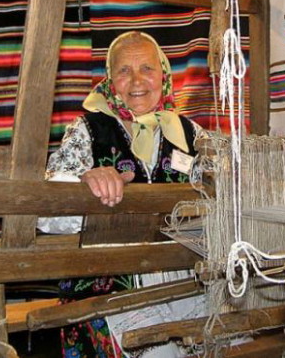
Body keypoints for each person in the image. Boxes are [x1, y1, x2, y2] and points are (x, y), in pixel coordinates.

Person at [37, 31, 204, 358]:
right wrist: (84, 181)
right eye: (124, 71)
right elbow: (44, 210)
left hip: (181, 278)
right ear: (110, 81)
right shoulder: (88, 130)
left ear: (164, 75)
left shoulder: (189, 133)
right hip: (109, 283)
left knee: (229, 339)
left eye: (147, 68)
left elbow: (219, 189)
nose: (137, 80)